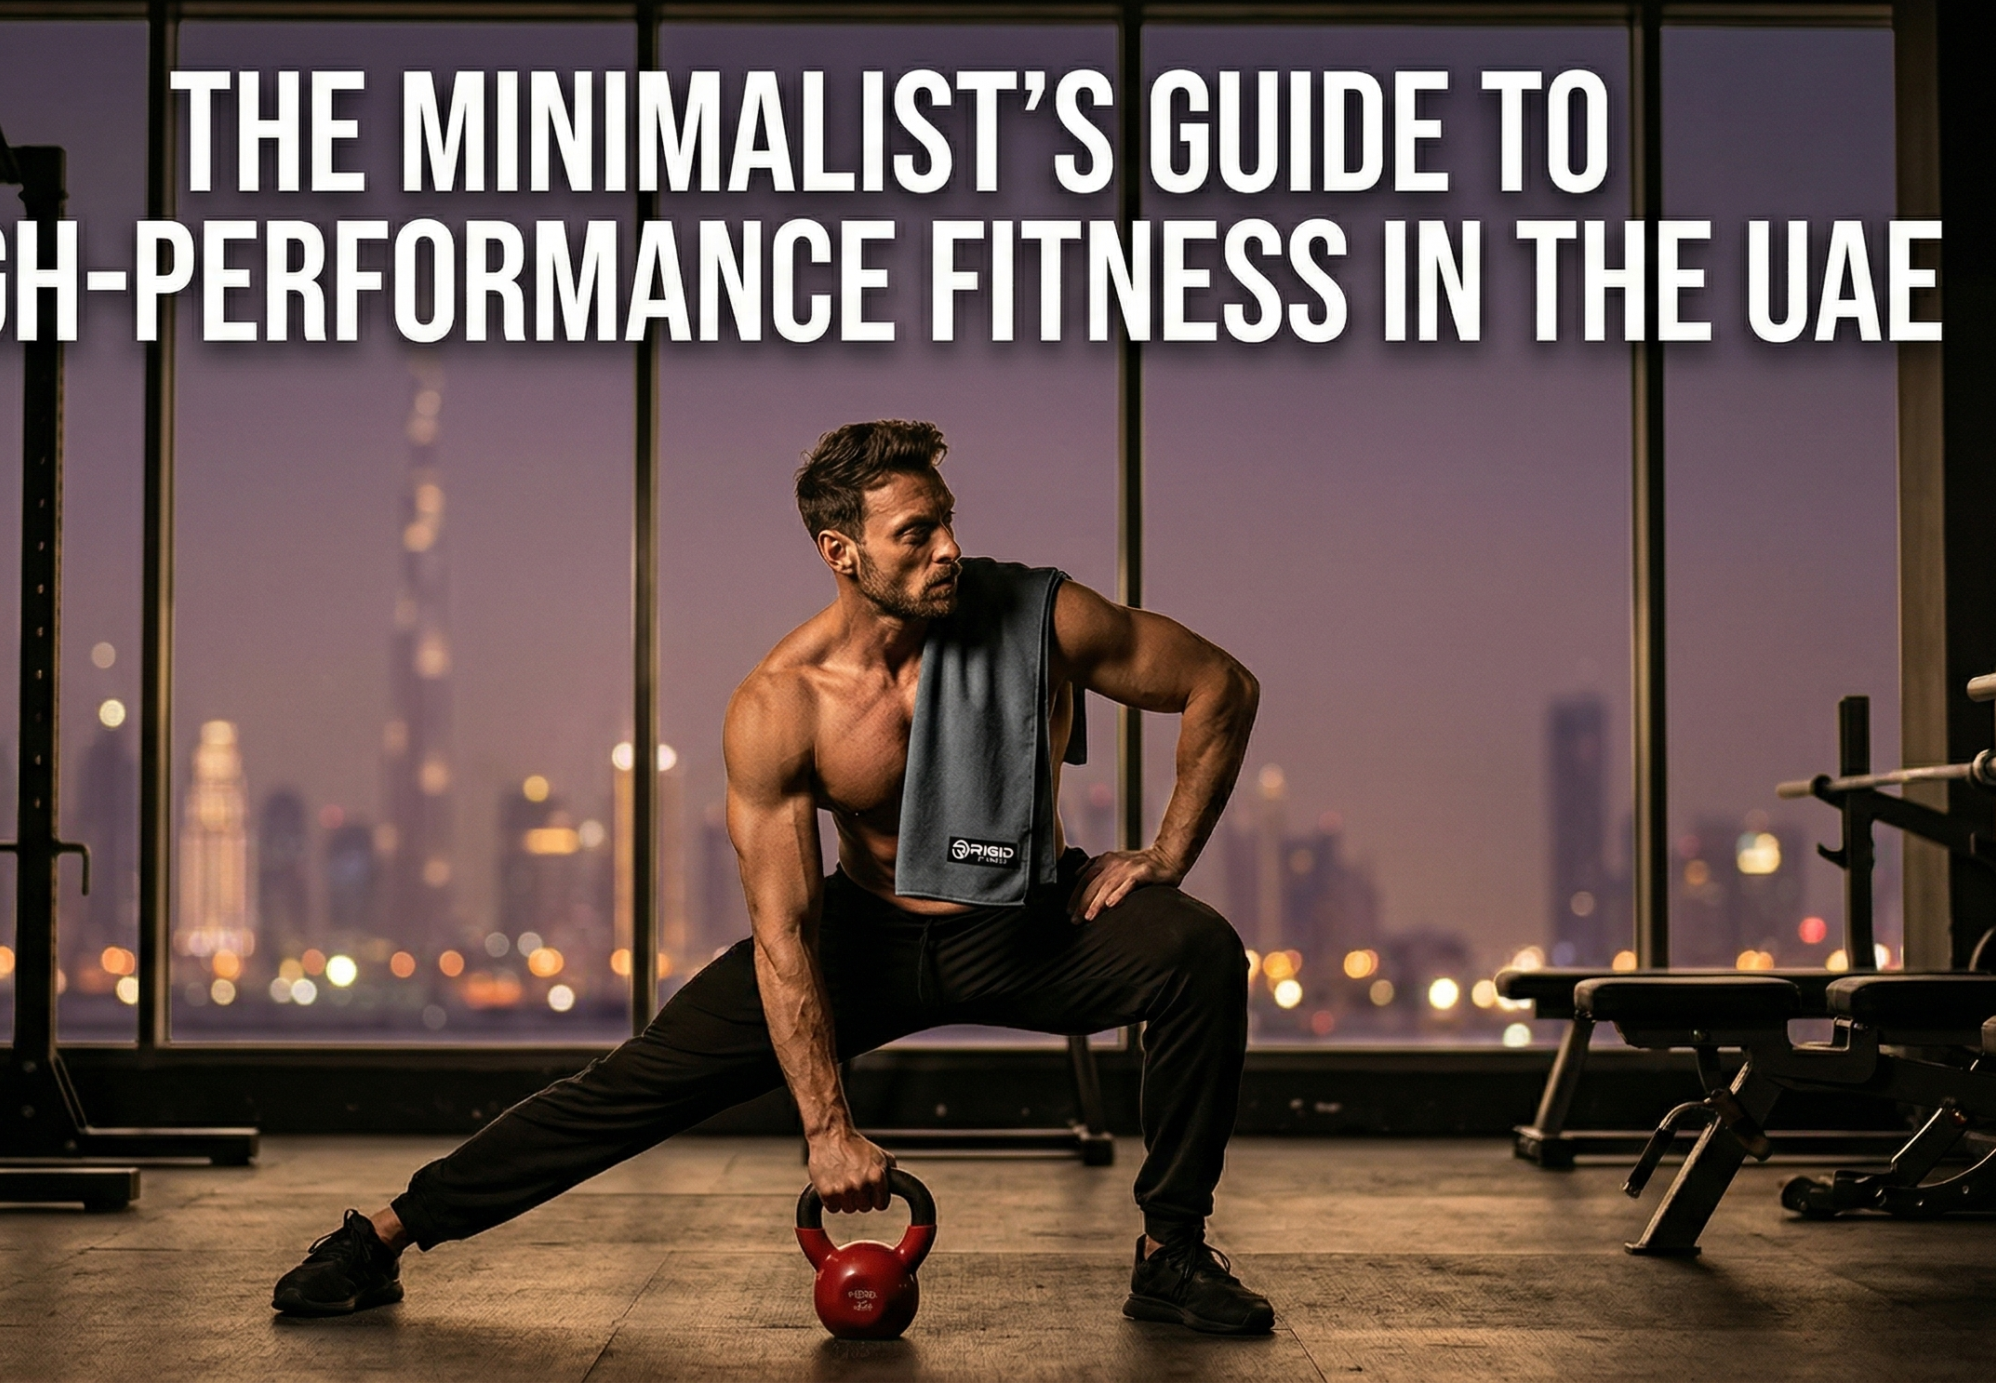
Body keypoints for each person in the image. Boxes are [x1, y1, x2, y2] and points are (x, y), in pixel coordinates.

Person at [274, 419, 1270, 1334]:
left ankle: (1168, 1251)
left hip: (1026, 925)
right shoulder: (783, 704)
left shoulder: (1040, 615)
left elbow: (1218, 684)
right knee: (629, 1086)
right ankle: (383, 1234)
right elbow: (785, 935)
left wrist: (1166, 852)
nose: (947, 551)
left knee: (1197, 955)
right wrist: (828, 1131)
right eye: (914, 535)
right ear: (842, 554)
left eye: (947, 524)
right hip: (861, 938)